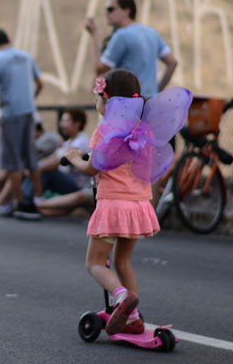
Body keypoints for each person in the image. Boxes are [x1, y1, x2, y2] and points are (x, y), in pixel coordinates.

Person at [65, 69, 165, 335]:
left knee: (95, 263)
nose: (97, 104)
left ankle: (121, 298)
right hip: (138, 206)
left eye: (99, 98)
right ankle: (132, 316)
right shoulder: (143, 131)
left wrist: (75, 157)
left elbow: (91, 168)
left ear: (109, 103)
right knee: (123, 262)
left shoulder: (105, 131)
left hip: (113, 207)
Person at [0, 28, 44, 220]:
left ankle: (19, 203)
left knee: (13, 162)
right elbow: (40, 83)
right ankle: (39, 198)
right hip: (28, 112)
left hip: (10, 114)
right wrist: (30, 99)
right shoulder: (26, 57)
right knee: (31, 158)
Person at [85, 0, 179, 97]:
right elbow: (172, 62)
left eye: (111, 9)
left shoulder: (121, 35)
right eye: (106, 10)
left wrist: (93, 35)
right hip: (149, 103)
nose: (106, 13)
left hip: (128, 104)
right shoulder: (151, 33)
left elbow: (100, 69)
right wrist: (157, 91)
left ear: (127, 11)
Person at [32, 108, 95, 217]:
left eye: (66, 121)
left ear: (77, 123)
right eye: (62, 121)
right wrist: (35, 167)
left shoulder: (82, 141)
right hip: (69, 181)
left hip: (79, 184)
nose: (62, 125)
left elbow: (56, 161)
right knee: (39, 169)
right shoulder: (68, 142)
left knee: (48, 172)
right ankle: (34, 202)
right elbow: (53, 157)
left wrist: (36, 168)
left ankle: (32, 202)